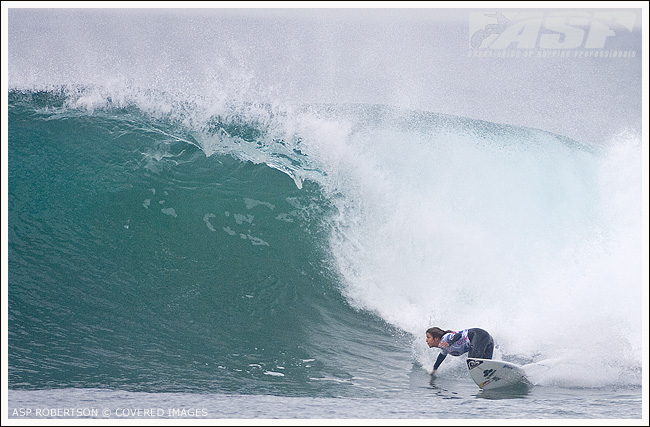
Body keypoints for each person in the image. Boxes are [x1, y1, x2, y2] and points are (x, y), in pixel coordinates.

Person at [426, 327, 494, 375]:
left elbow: (458, 335)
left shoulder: (445, 338)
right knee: (486, 364)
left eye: (428, 337)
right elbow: (441, 357)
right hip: (487, 339)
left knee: (472, 361)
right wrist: (434, 370)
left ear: (436, 338)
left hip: (479, 335)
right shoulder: (444, 348)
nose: (426, 340)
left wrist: (449, 343)